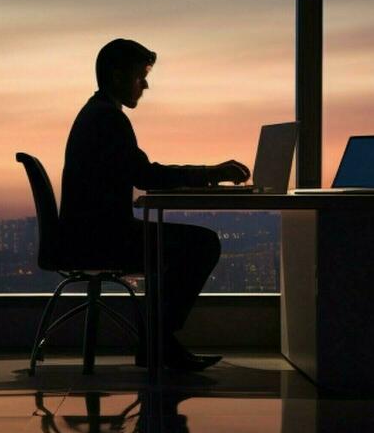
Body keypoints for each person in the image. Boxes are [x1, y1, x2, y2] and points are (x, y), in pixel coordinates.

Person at [60, 38, 248, 372]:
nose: (145, 85)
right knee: (202, 244)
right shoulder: (109, 120)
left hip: (89, 233)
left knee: (182, 246)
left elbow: (138, 174)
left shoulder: (98, 114)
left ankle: (157, 342)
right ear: (117, 76)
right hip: (102, 239)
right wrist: (210, 173)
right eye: (140, 76)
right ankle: (158, 342)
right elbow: (145, 175)